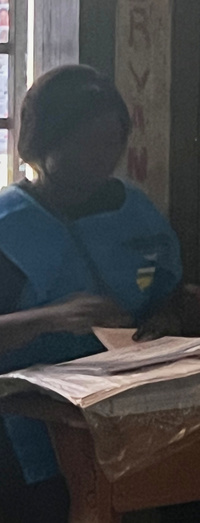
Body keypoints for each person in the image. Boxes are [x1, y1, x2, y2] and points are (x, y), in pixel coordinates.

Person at [0, 65, 184, 523]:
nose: (103, 159)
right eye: (87, 144)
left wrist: (167, 317)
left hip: (128, 414)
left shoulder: (135, 210)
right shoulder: (9, 225)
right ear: (44, 144)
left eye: (112, 144)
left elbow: (170, 290)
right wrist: (50, 317)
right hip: (29, 430)